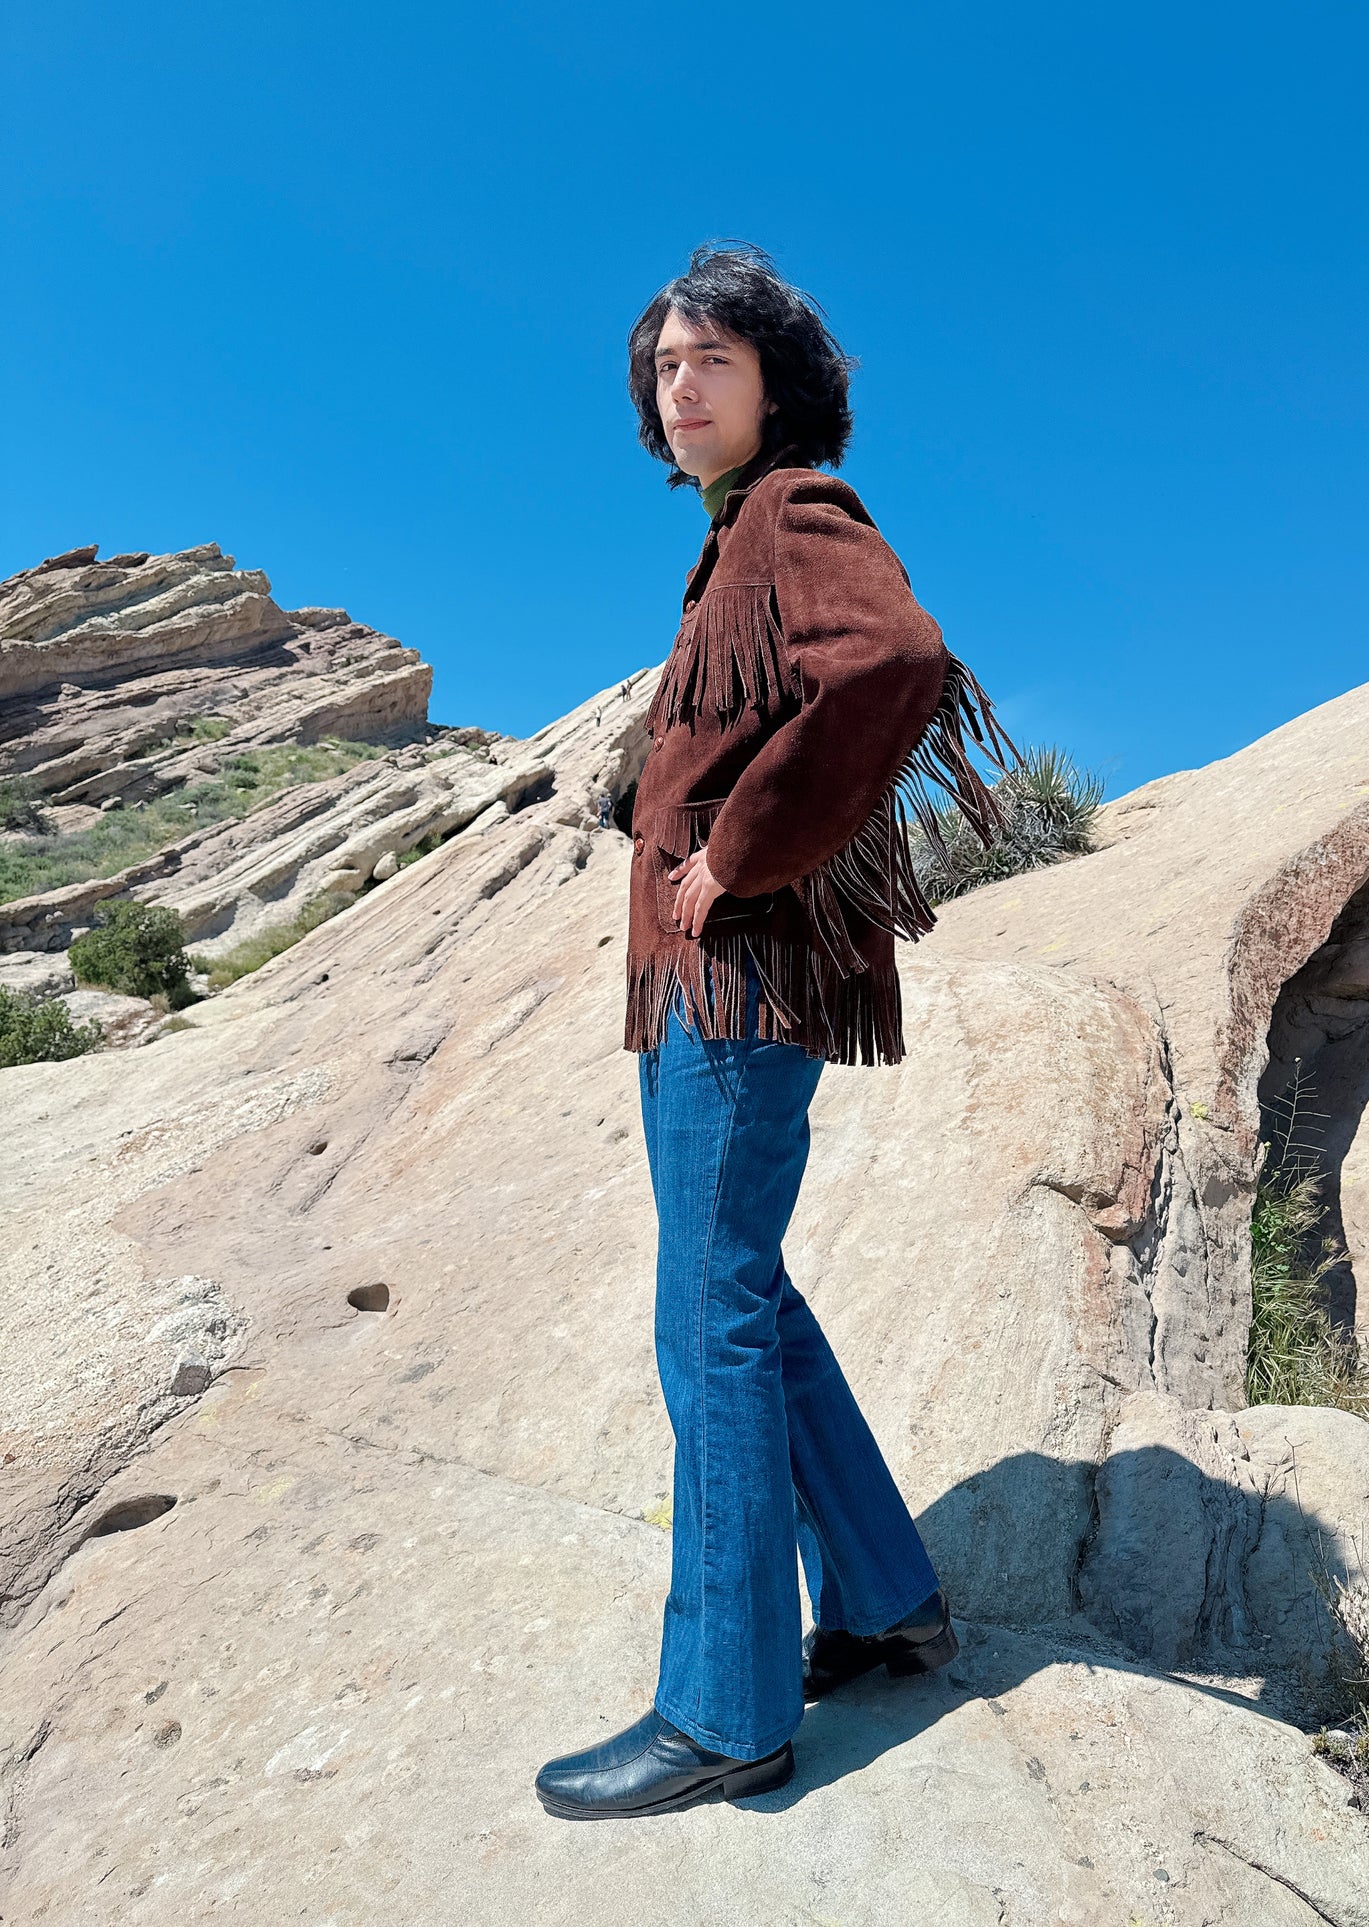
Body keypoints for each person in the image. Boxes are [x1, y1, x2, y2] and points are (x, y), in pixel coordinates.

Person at [534, 244, 1017, 1821]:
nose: (679, 386)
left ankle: (722, 1709)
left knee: (709, 1322)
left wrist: (731, 855)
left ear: (775, 384)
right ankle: (881, 1601)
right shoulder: (727, 543)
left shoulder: (792, 511)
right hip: (728, 991)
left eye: (710, 361)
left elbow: (892, 664)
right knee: (749, 1297)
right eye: (663, 366)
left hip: (736, 985)